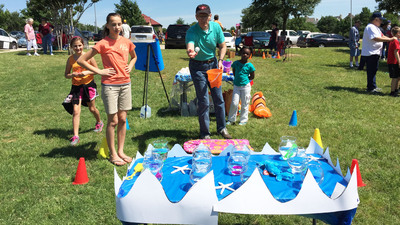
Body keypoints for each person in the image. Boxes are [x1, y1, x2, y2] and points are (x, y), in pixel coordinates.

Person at [78, 13, 137, 166]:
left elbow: (134, 57)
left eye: (119, 24)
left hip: (126, 84)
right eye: (113, 24)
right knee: (113, 121)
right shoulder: (103, 43)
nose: (117, 27)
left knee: (123, 119)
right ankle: (113, 154)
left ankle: (121, 151)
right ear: (107, 26)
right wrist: (99, 71)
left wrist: (130, 66)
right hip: (110, 85)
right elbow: (81, 60)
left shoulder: (126, 41)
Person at [185, 4, 232, 139]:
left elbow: (223, 46)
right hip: (197, 67)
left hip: (213, 65)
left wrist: (221, 60)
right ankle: (205, 134)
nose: (203, 19)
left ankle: (222, 128)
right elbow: (190, 44)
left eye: (205, 16)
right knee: (204, 101)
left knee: (218, 98)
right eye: (200, 16)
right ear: (196, 17)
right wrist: (190, 51)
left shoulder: (216, 27)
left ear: (210, 16)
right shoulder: (192, 31)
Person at [64, 36, 104, 146]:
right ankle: (76, 135)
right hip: (76, 87)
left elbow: (96, 71)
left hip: (88, 85)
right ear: (72, 47)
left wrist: (86, 73)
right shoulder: (71, 59)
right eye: (75, 46)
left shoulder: (89, 57)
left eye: (80, 45)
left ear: (83, 45)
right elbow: (66, 75)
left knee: (92, 108)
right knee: (76, 111)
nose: (78, 48)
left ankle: (99, 122)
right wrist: (72, 74)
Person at [360, 12, 396, 92]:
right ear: (376, 19)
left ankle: (373, 86)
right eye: (380, 20)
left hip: (374, 53)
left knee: (374, 70)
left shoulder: (375, 27)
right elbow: (375, 38)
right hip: (370, 53)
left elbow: (382, 36)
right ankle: (370, 88)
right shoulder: (370, 27)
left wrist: (392, 38)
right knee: (371, 71)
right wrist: (390, 39)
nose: (381, 22)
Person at [227, 46, 255, 126]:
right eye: (243, 53)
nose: (245, 55)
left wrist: (246, 80)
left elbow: (252, 76)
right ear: (240, 53)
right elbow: (235, 72)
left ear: (250, 55)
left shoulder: (250, 66)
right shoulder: (236, 63)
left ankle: (243, 120)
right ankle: (231, 119)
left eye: (247, 54)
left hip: (246, 87)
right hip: (236, 86)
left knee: (245, 103)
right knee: (234, 103)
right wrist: (238, 80)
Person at [387, 26, 400, 97]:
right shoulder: (395, 41)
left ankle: (396, 90)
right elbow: (396, 52)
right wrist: (399, 62)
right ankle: (392, 92)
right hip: (393, 62)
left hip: (394, 61)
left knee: (397, 77)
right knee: (395, 77)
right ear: (398, 33)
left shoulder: (395, 40)